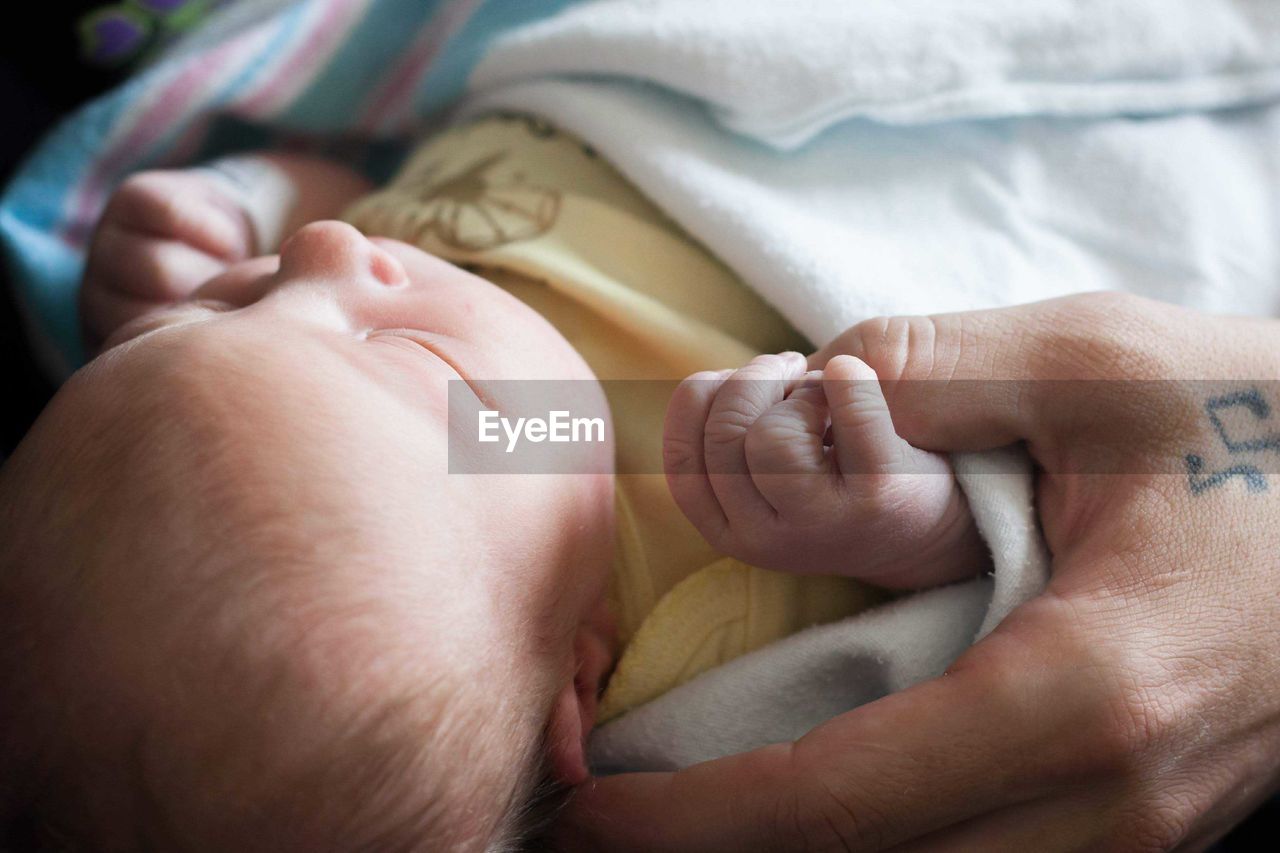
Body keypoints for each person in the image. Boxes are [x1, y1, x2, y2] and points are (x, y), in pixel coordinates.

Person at [0, 114, 991, 849]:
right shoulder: (717, 613)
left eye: (223, 307)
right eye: (410, 354)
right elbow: (982, 606)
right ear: (575, 674)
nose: (329, 251)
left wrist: (241, 204)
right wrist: (901, 518)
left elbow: (353, 187)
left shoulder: (421, 426)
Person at [554, 293, 1280, 851]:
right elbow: (992, 573)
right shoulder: (673, 643)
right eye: (443, 370)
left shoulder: (510, 423)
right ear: (570, 671)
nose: (432, 270)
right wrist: (904, 512)